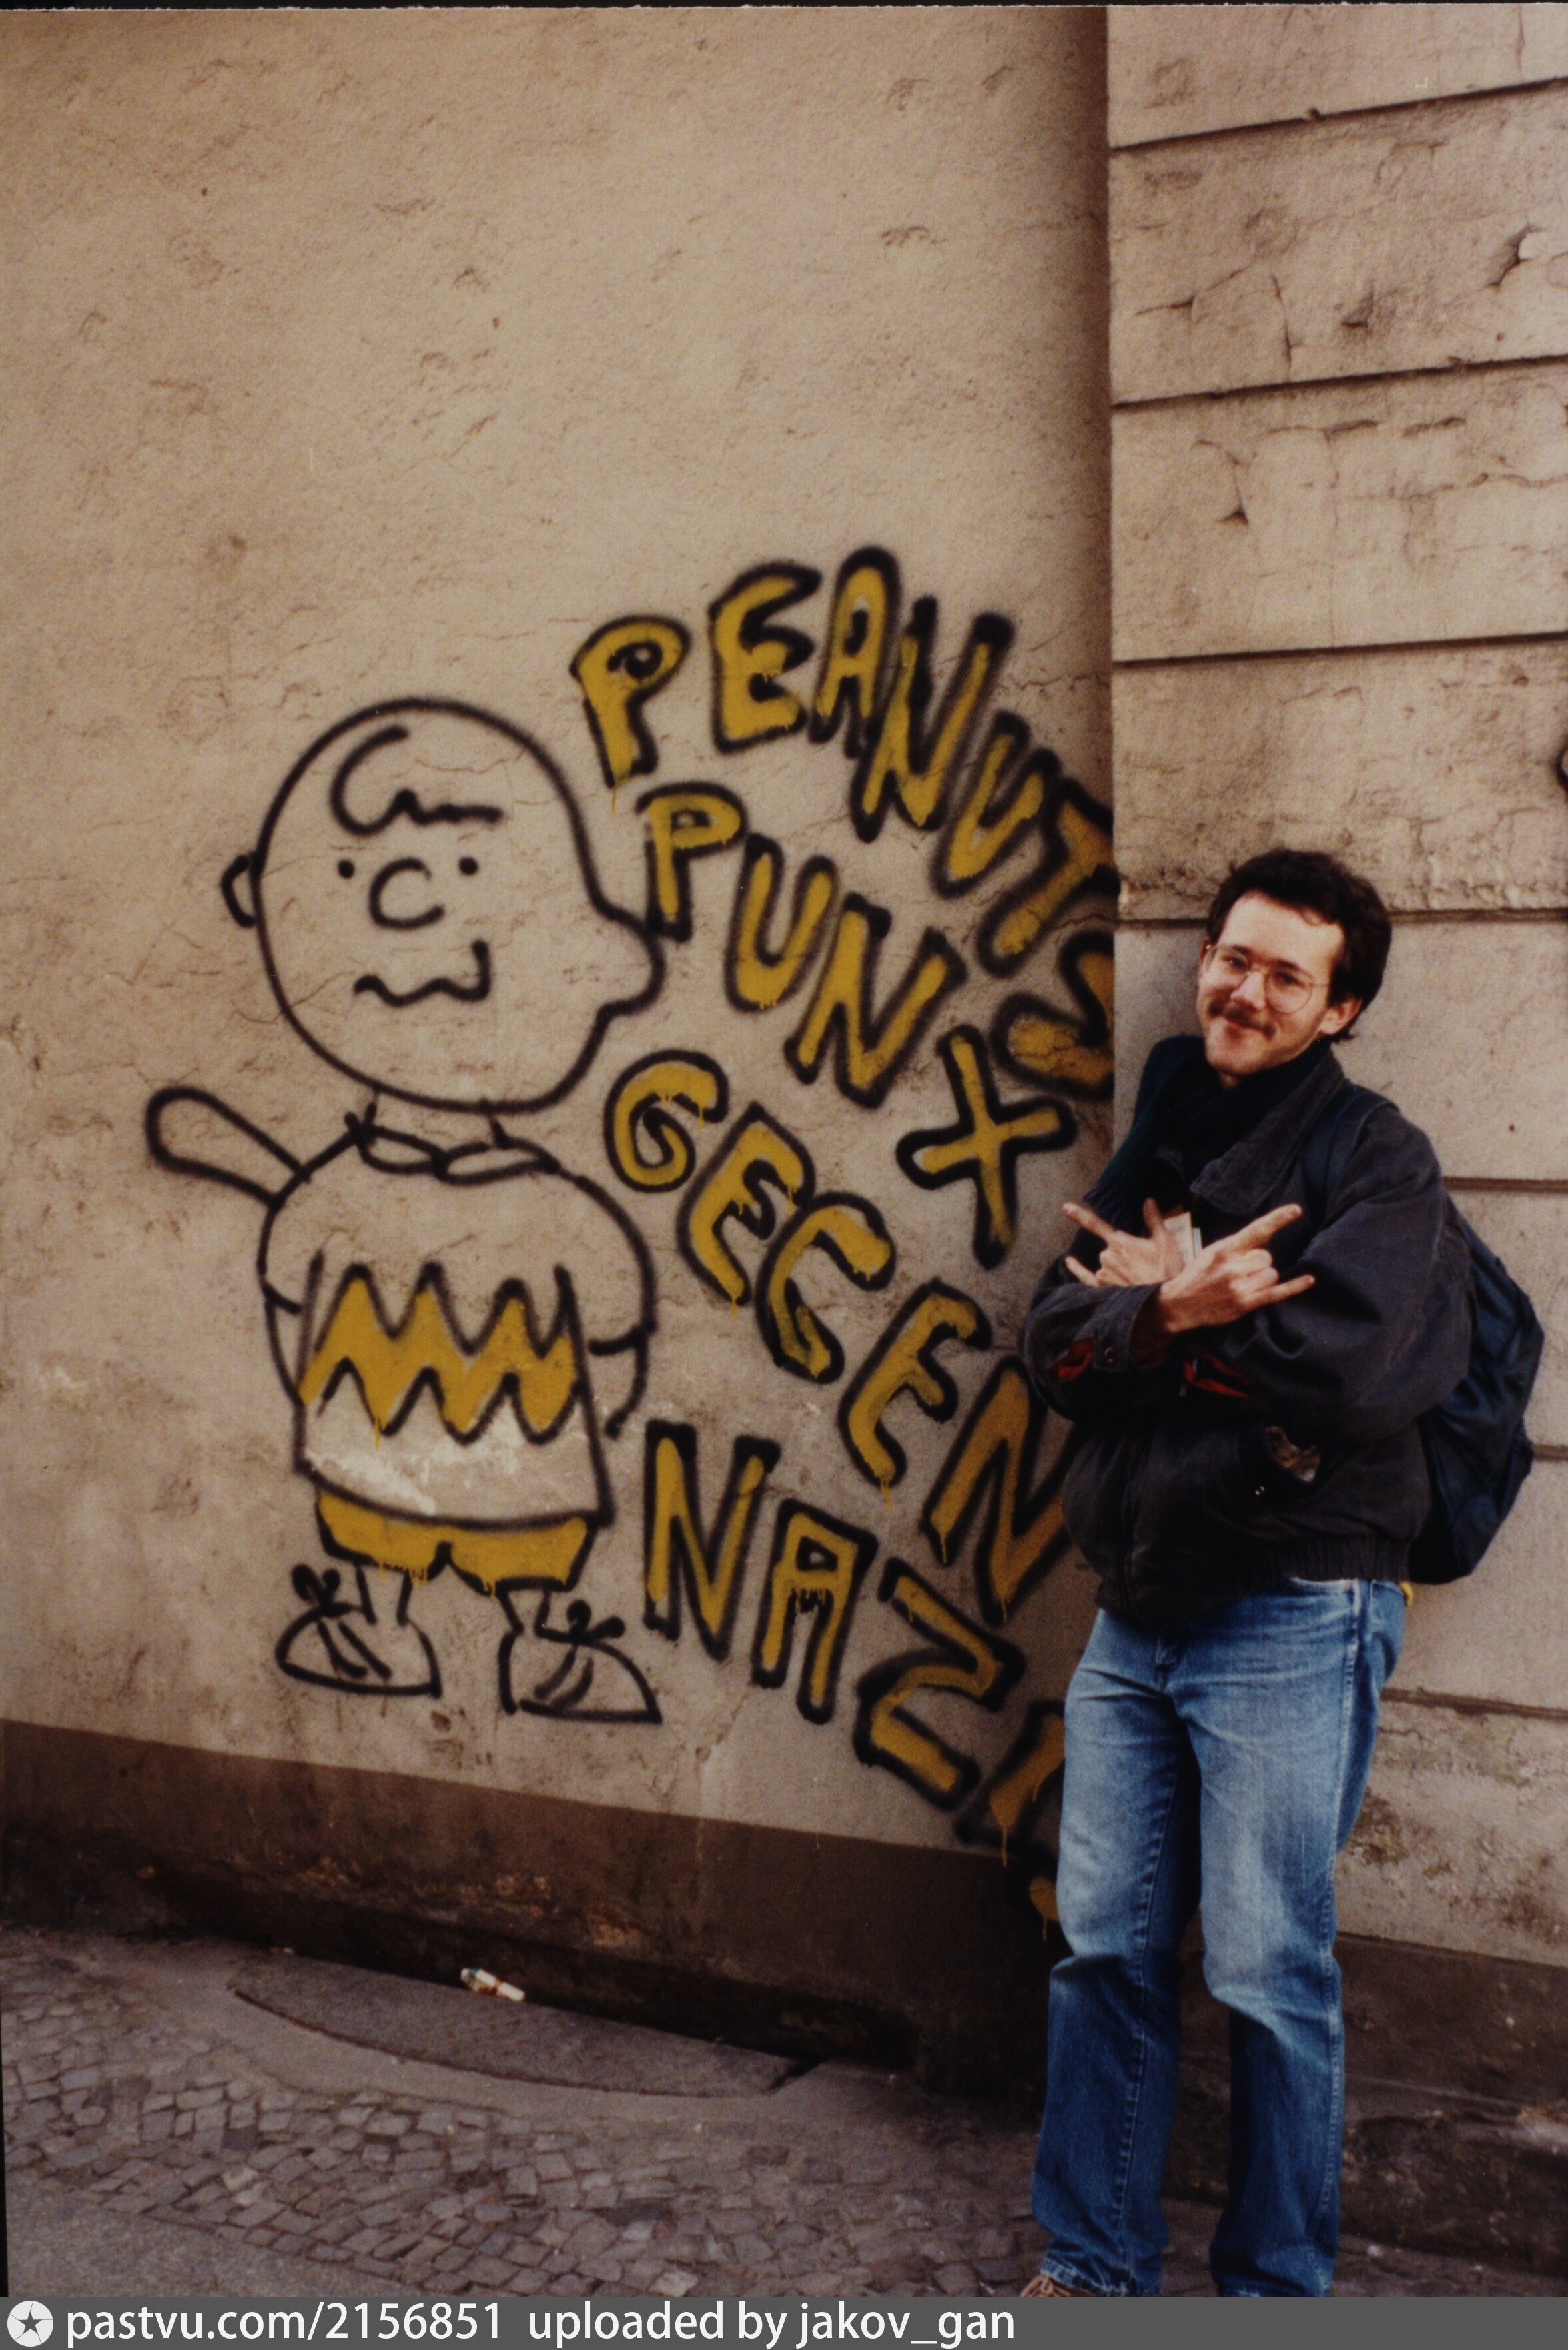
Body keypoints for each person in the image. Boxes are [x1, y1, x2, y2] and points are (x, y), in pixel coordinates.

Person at [1019, 848, 1472, 2298]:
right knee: (1102, 1949)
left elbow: (1350, 1375)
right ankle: (1094, 2269)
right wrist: (1168, 1318)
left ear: (1339, 1011)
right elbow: (1049, 1346)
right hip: (1138, 1599)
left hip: (1292, 1603)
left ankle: (1274, 2297)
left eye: (1287, 976)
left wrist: (1155, 1317)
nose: (1246, 991)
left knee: (1268, 1972)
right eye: (1233, 958)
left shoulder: (1376, 1158)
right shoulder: (1163, 1128)